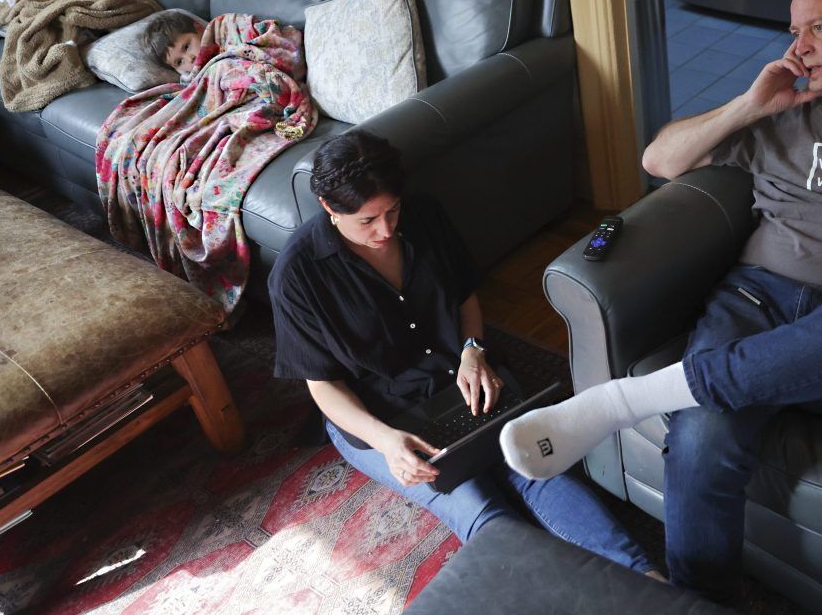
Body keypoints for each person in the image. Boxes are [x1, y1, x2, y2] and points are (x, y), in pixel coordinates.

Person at [501, 0, 822, 601]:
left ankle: (629, 400)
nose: (801, 46)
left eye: (819, 27)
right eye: (795, 31)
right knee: (702, 437)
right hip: (754, 304)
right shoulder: (779, 115)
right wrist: (749, 104)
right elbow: (659, 161)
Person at [269, 130, 655, 575]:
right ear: (328, 208)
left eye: (392, 210)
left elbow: (464, 294)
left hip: (458, 380)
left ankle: (647, 579)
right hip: (380, 414)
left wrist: (473, 349)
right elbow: (321, 382)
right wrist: (385, 441)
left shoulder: (425, 215)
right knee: (481, 509)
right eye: (367, 221)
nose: (386, 229)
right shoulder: (297, 274)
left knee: (535, 466)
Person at [144, 10, 206, 78]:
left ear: (199, 29)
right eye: (179, 62)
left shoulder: (219, 32)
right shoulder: (193, 82)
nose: (190, 59)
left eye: (186, 47)